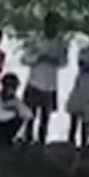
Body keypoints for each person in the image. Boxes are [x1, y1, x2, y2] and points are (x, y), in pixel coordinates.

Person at [21, 12, 69, 145]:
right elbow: (24, 59)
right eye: (51, 24)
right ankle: (27, 142)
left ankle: (41, 144)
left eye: (56, 24)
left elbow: (64, 62)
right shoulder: (36, 39)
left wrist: (54, 60)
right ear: (45, 24)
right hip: (34, 82)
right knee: (30, 116)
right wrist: (38, 58)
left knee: (45, 118)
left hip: (50, 85)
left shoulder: (61, 42)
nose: (53, 27)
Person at [0, 72, 33, 147]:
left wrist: (15, 109)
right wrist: (15, 112)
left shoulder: (14, 101)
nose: (11, 90)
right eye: (9, 87)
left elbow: (29, 114)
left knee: (18, 119)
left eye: (14, 87)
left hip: (1, 129)